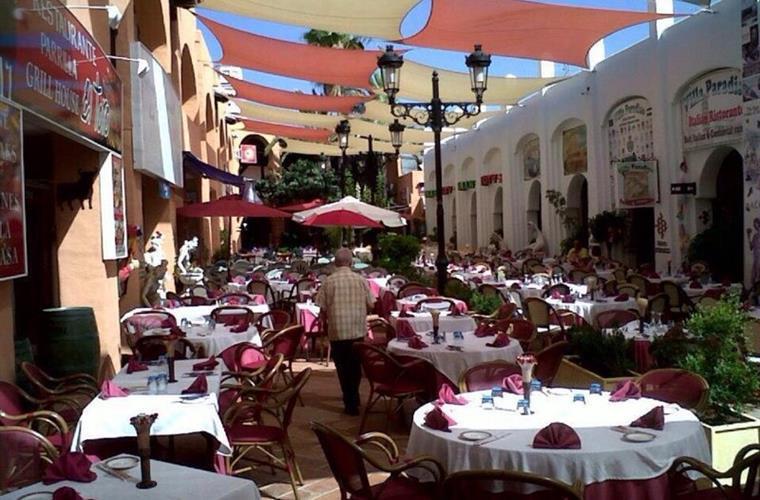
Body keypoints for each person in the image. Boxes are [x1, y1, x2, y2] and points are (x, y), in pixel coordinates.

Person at [315, 248, 375, 415]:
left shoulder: (329, 281)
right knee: (355, 365)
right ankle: (354, 397)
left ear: (335, 263)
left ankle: (349, 401)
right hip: (357, 329)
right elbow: (371, 304)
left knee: (342, 367)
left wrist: (324, 324)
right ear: (351, 262)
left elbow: (322, 307)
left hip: (337, 330)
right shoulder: (361, 280)